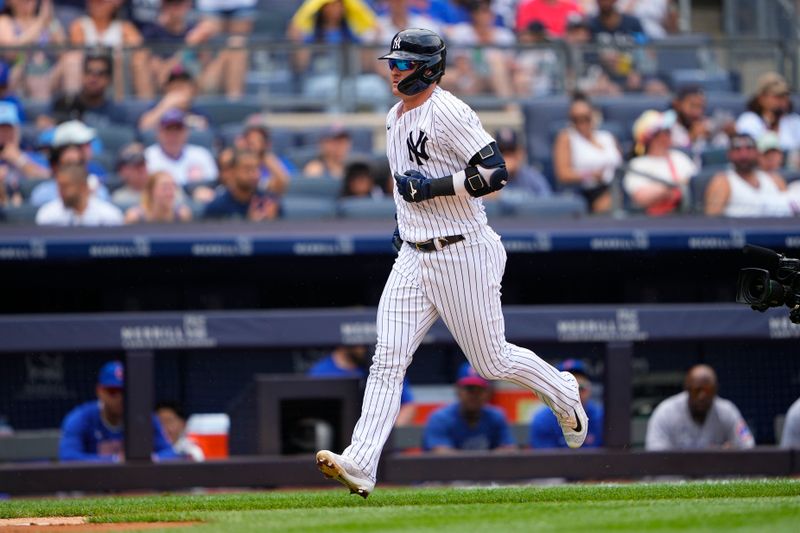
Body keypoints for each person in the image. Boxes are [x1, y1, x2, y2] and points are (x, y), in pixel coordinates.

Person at [315, 29, 588, 499]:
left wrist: (435, 188)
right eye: (392, 62)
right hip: (414, 255)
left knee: (491, 360)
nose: (393, 70)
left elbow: (494, 172)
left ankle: (563, 391)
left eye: (402, 64)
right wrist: (406, 220)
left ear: (427, 68)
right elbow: (405, 186)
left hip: (462, 250)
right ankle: (361, 461)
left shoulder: (450, 111)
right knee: (387, 360)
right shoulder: (392, 118)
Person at [59, 361, 178, 462]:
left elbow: (170, 453)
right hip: (93, 484)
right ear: (99, 391)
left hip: (132, 485)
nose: (119, 398)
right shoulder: (81, 417)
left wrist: (149, 459)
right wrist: (115, 460)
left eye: (124, 391)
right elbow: (68, 458)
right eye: (112, 391)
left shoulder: (144, 417)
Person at [645, 364, 755, 450]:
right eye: (696, 390)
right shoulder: (665, 412)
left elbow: (748, 444)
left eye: (708, 390)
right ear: (687, 389)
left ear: (715, 390)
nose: (702, 396)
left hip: (715, 475)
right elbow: (655, 453)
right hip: (676, 476)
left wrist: (731, 450)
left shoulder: (727, 411)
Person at [308, 345, 415, 426]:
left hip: (378, 442)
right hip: (339, 441)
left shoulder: (382, 367)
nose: (364, 347)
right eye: (360, 342)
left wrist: (385, 435)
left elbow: (408, 405)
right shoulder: (320, 372)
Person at [423, 363, 516, 453]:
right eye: (470, 389)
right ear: (458, 391)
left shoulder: (496, 416)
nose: (475, 395)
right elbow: (441, 455)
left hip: (486, 469)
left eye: (480, 390)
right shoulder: (440, 418)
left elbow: (508, 450)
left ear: (489, 393)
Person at [69, 0, 152, 99]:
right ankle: (72, 104)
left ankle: (127, 104)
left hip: (117, 70)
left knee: (129, 60)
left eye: (101, 2)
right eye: (93, 2)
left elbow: (140, 50)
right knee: (72, 60)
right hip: (90, 70)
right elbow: (79, 50)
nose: (96, 5)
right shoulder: (80, 25)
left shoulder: (124, 27)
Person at [553, 94, 622, 213]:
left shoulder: (607, 136)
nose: (582, 123)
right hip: (587, 190)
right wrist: (590, 175)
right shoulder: (567, 138)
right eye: (576, 119)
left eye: (585, 118)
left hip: (616, 186)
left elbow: (620, 164)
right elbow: (563, 174)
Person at [624, 109, 697, 215]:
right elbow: (641, 198)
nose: (670, 134)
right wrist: (673, 187)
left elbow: (695, 186)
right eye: (666, 131)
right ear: (653, 137)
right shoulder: (637, 165)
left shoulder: (680, 157)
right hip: (652, 222)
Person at [704, 133, 793, 217]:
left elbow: (790, 211)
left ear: (757, 152)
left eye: (749, 149)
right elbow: (711, 224)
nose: (744, 155)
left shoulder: (775, 180)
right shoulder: (723, 182)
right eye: (737, 149)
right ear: (729, 154)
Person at [529, 359, 603, 448]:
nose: (575, 395)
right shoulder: (542, 419)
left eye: (581, 388)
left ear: (589, 389)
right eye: (567, 390)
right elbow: (545, 460)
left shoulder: (602, 417)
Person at [144, 108, 218, 192]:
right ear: (158, 133)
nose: (173, 136)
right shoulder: (147, 157)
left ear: (186, 132)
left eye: (178, 130)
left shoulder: (201, 154)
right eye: (168, 130)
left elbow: (212, 185)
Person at [49, 47, 126, 127]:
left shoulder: (117, 112)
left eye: (100, 73)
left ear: (109, 79)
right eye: (89, 72)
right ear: (82, 75)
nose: (93, 78)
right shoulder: (64, 104)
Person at [202, 148, 280, 221]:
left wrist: (271, 222)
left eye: (257, 168)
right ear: (232, 171)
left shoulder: (268, 203)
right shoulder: (217, 207)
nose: (254, 174)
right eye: (247, 168)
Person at [35, 161, 123, 225]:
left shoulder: (109, 216)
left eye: (66, 186)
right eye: (59, 186)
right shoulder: (48, 215)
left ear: (83, 187)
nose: (60, 191)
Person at [736, 72, 800, 154]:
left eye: (785, 95)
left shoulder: (795, 121)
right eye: (778, 96)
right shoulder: (749, 120)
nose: (784, 100)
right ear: (762, 98)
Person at [493, 127, 552, 199]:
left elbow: (547, 202)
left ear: (521, 152)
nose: (508, 157)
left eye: (512, 151)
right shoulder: (488, 176)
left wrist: (501, 195)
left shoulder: (532, 176)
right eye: (502, 152)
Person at [124, 170, 192, 224]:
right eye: (165, 188)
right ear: (151, 190)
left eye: (172, 187)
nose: (170, 193)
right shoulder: (134, 217)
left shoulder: (182, 215)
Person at [515, 0, 583, 38]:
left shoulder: (571, 7)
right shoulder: (528, 7)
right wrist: (542, 35)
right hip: (540, 48)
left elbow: (582, 32)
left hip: (568, 49)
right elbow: (524, 34)